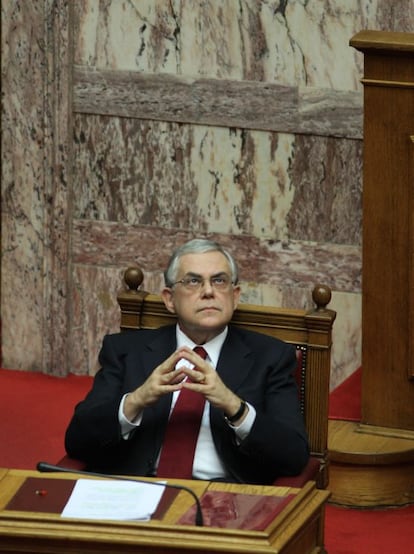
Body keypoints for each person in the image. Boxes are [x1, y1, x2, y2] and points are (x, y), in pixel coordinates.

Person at [65, 238, 309, 484]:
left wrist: (234, 407)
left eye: (219, 280)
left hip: (223, 499)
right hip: (135, 490)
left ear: (235, 297)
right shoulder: (126, 351)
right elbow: (77, 440)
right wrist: (136, 401)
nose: (208, 291)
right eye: (193, 281)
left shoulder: (271, 357)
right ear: (170, 299)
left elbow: (294, 455)